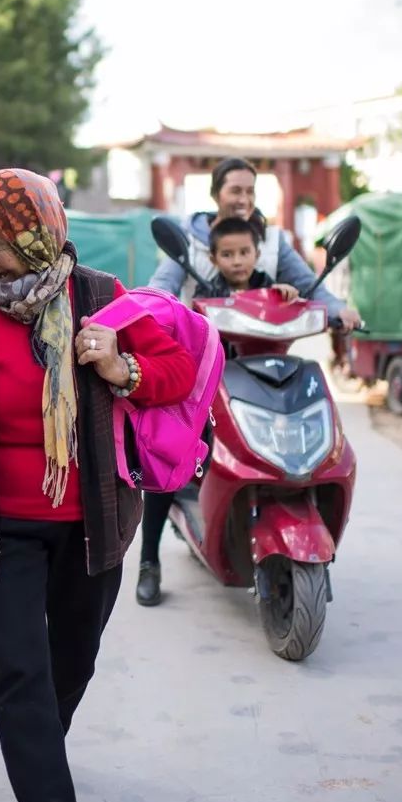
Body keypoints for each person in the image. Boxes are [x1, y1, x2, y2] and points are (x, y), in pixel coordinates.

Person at [0, 168, 197, 802]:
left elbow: (178, 369)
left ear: (36, 232)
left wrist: (119, 362)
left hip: (93, 521)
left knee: (70, 661)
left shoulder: (101, 298)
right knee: (18, 670)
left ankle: (38, 749)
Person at [136, 156, 361, 608]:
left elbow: (308, 287)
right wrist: (154, 314)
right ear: (217, 193)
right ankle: (149, 561)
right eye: (234, 190)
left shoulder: (273, 243)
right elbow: (163, 285)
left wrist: (339, 311)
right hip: (201, 368)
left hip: (262, 366)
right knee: (171, 453)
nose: (241, 199)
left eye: (249, 191)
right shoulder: (191, 242)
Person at [206, 216, 299, 300]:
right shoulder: (207, 292)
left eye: (244, 253)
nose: (237, 262)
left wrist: (286, 295)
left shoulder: (267, 285)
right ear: (214, 260)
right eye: (227, 255)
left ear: (257, 255)